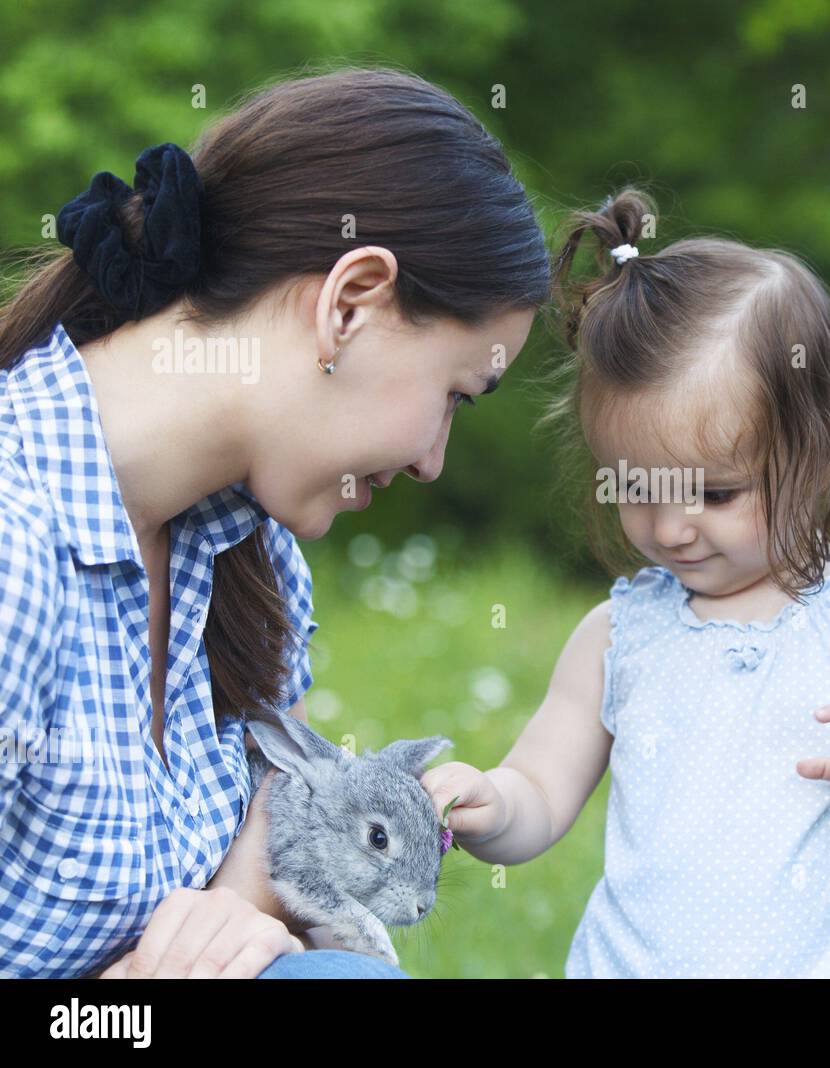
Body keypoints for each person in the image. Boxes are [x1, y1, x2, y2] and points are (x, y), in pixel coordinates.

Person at [0, 66, 548, 979]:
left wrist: (244, 909)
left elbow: (266, 883)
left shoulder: (253, 557)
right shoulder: (16, 547)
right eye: (456, 395)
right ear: (349, 302)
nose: (432, 460)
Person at [422, 188, 830, 978]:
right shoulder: (619, 635)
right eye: (638, 489)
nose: (672, 528)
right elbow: (539, 786)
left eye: (715, 493)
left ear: (822, 456)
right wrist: (491, 805)